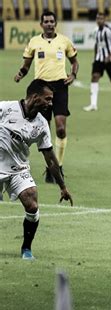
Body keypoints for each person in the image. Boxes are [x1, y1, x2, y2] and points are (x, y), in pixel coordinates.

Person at [0, 79, 73, 260]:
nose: (50, 103)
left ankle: (26, 248)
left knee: (32, 204)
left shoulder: (41, 125)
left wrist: (62, 186)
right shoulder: (5, 109)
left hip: (19, 169)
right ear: (34, 97)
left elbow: (50, 158)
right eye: (47, 99)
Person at [14, 11, 79, 184]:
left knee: (60, 129)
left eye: (52, 21)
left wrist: (73, 75)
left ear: (55, 23)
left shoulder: (64, 41)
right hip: (41, 88)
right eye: (46, 21)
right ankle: (47, 165)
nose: (49, 24)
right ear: (41, 24)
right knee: (43, 129)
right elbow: (26, 65)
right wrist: (21, 74)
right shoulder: (34, 42)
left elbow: (74, 61)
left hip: (60, 87)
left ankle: (59, 166)